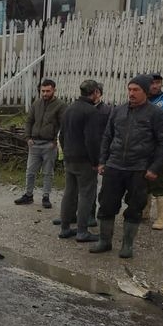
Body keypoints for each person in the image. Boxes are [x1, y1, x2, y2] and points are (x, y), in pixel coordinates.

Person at [91, 75, 163, 258]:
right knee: (106, 205)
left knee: (135, 208)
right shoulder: (117, 111)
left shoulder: (156, 114)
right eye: (130, 89)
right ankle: (104, 241)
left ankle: (127, 245)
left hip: (139, 169)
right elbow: (107, 137)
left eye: (136, 90)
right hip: (114, 166)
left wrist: (154, 168)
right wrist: (103, 161)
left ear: (145, 91)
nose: (131, 93)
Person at [57, 80, 104, 242]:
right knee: (86, 194)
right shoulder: (91, 112)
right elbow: (92, 140)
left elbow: (61, 135)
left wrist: (66, 151)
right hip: (84, 159)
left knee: (69, 193)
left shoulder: (69, 108)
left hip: (69, 157)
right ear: (95, 92)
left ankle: (64, 228)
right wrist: (96, 161)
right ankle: (82, 231)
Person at [15, 79, 66, 209]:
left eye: (48, 91)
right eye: (42, 91)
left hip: (49, 144)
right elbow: (29, 121)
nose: (44, 93)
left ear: (54, 90)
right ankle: (28, 195)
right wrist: (28, 138)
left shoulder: (60, 105)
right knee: (30, 171)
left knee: (48, 172)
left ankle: (46, 196)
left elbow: (63, 125)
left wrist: (55, 141)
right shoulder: (36, 103)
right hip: (34, 143)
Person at [142, 73, 163, 230]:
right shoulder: (143, 100)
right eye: (152, 83)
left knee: (159, 180)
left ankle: (161, 218)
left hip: (159, 147)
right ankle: (144, 212)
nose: (155, 86)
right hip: (142, 147)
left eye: (158, 83)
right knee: (142, 179)